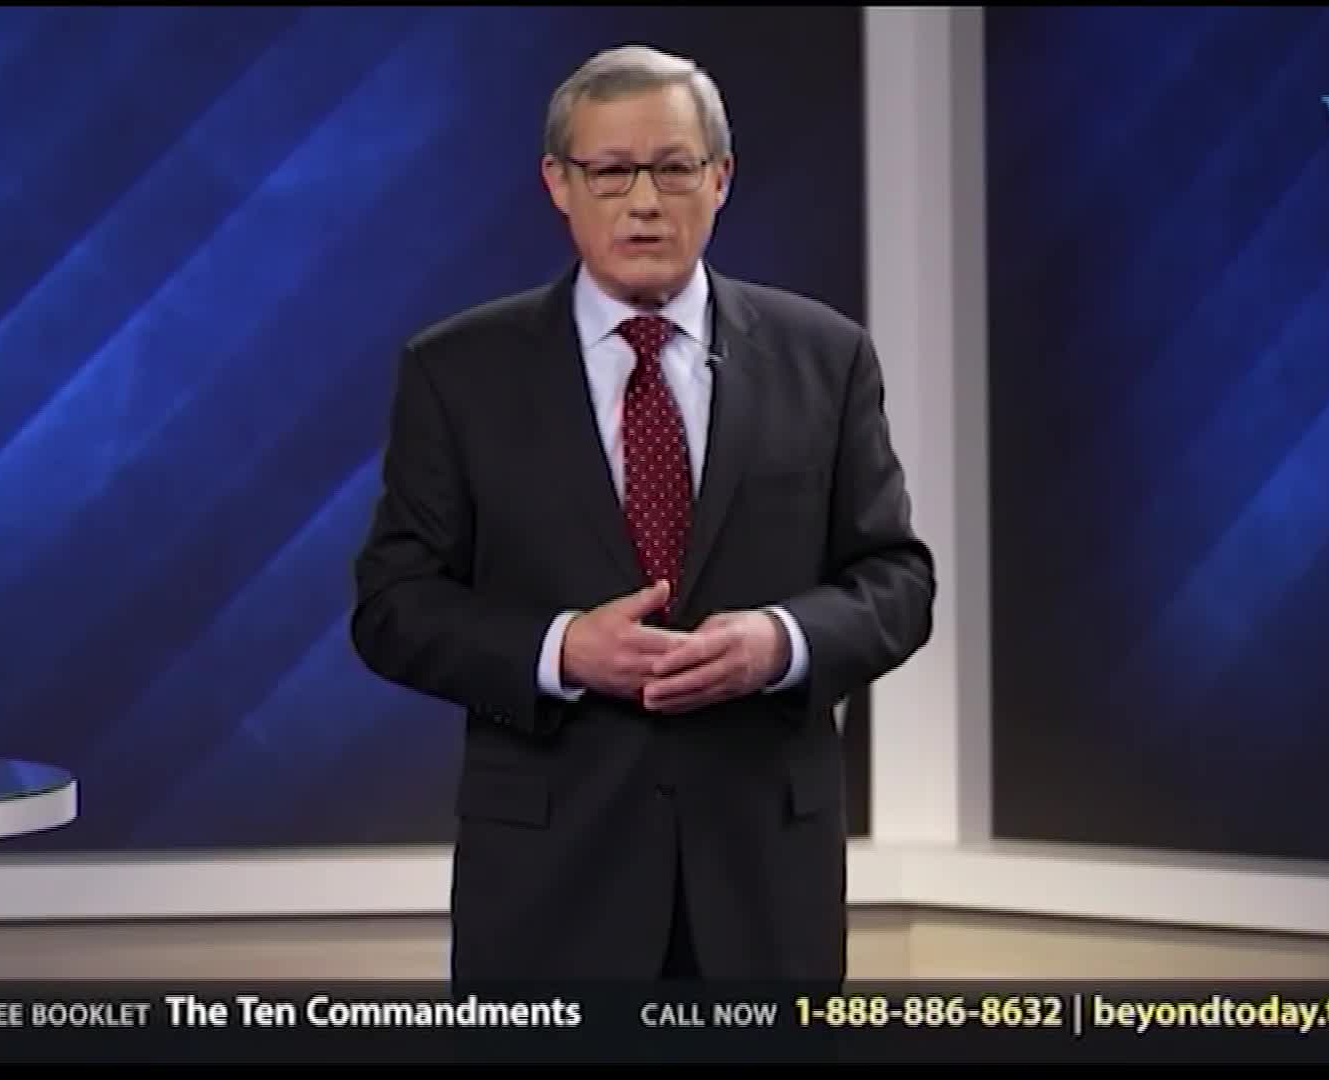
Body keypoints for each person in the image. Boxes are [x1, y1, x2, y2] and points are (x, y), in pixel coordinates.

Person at [351, 44, 934, 983]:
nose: (645, 201)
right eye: (612, 171)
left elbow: (897, 583)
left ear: (721, 178)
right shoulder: (459, 371)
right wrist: (561, 649)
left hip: (762, 885)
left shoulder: (825, 358)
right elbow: (392, 606)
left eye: (673, 167)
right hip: (549, 880)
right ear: (558, 183)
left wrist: (778, 643)